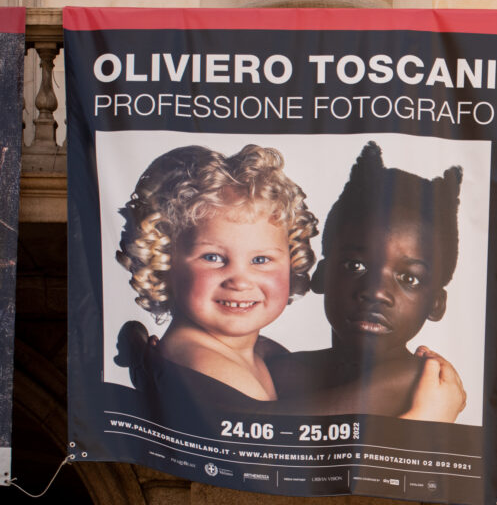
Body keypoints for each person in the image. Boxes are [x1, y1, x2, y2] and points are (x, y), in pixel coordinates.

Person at [115, 143, 465, 421]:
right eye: (213, 257)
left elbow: (297, 369)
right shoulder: (204, 360)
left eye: (261, 259)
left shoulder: (254, 352)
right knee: (407, 378)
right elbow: (273, 439)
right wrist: (425, 417)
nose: (239, 279)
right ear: (163, 262)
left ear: (294, 264)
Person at [271, 141, 467, 420]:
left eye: (409, 278)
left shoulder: (414, 380)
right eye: (356, 265)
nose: (376, 292)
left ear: (436, 304)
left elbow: (244, 422)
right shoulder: (284, 367)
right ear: (322, 275)